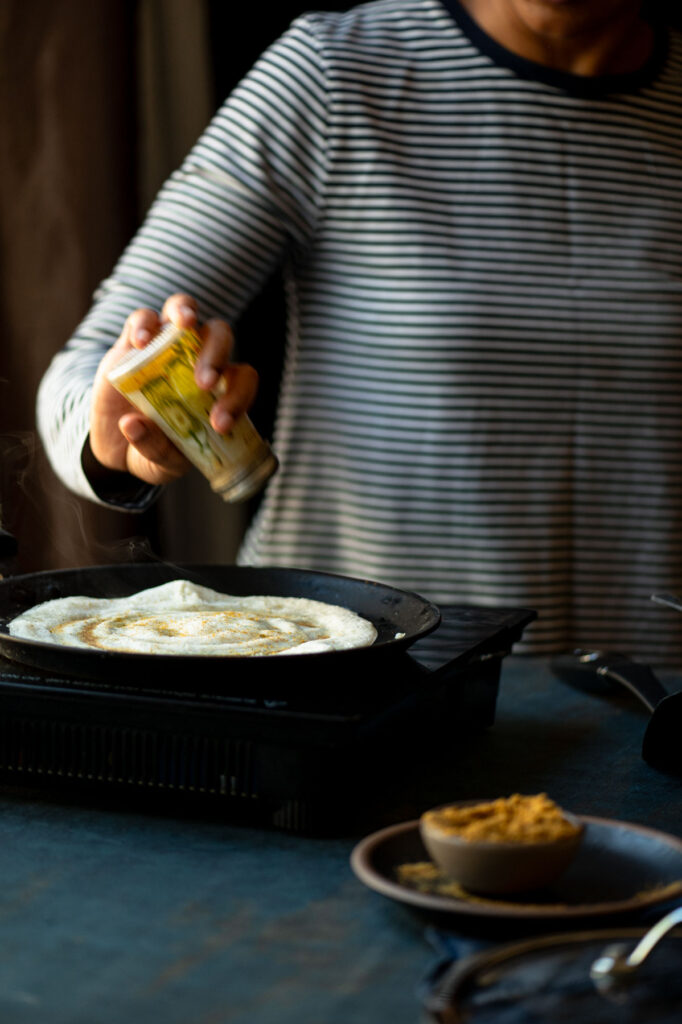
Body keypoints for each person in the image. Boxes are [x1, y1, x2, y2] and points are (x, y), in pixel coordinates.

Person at [37, 0, 682, 664]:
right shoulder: (337, 75)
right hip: (362, 687)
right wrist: (114, 436)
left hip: (654, 712)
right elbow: (87, 364)